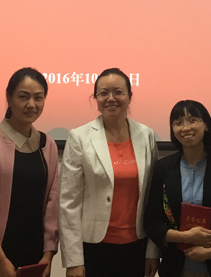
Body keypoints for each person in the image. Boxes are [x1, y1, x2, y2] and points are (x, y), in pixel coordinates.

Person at [59, 67, 160, 277]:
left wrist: (153, 251)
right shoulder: (79, 137)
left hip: (137, 245)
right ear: (95, 98)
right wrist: (73, 260)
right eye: (103, 93)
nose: (111, 98)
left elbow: (154, 198)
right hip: (94, 246)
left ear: (130, 96)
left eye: (118, 92)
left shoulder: (146, 135)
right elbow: (69, 203)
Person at [0, 68, 59, 277]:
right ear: (9, 98)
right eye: (23, 97)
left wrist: (48, 255)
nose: (31, 104)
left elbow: (53, 203)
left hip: (33, 256)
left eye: (38, 97)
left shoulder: (47, 144)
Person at [144, 100, 211, 277]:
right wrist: (185, 237)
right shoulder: (163, 167)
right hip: (176, 267)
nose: (185, 128)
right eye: (178, 122)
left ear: (206, 125)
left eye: (193, 120)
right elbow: (152, 221)